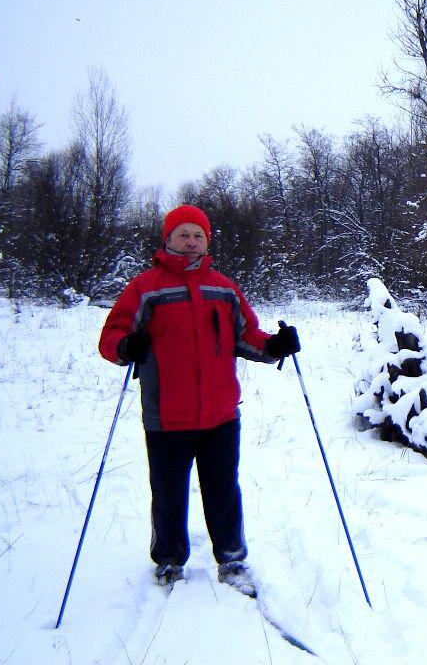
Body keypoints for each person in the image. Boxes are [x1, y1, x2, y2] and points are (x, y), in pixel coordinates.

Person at [98, 204, 300, 595]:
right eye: (183, 234)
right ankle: (169, 560)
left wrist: (275, 345)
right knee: (169, 492)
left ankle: (232, 557)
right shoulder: (146, 288)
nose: (190, 241)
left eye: (198, 235)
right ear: (168, 239)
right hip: (167, 415)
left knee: (223, 489)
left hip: (221, 415)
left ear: (207, 241)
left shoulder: (223, 288)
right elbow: (111, 337)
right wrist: (126, 344)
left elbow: (247, 336)